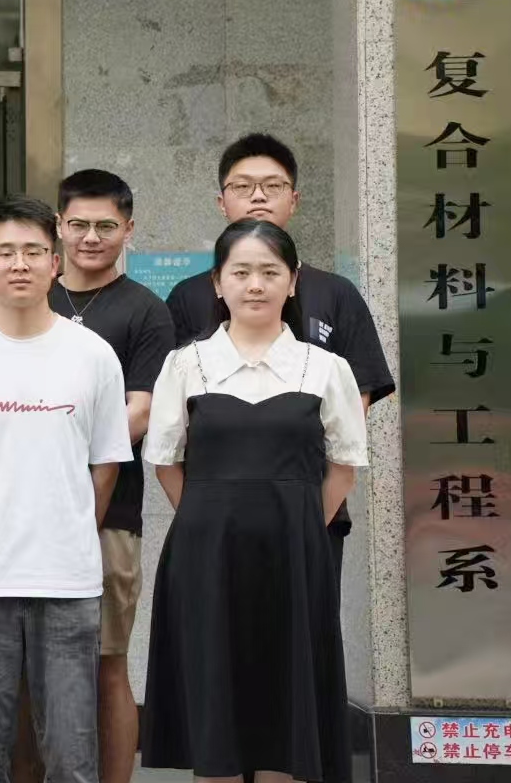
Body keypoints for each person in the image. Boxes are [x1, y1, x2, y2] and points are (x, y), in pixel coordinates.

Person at [141, 219, 366, 783]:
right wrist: (208, 516)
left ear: (293, 282)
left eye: (270, 272)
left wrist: (299, 525)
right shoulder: (185, 364)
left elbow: (343, 466)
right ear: (218, 283)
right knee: (214, 699)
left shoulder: (326, 367)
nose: (255, 285)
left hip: (296, 556)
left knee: (284, 707)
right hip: (205, 556)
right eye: (240, 272)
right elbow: (166, 461)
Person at [0, 197, 132, 783]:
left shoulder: (93, 355)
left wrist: (70, 529)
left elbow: (105, 465)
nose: (20, 264)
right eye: (5, 252)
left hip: (68, 579)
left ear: (55, 262)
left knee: (71, 754)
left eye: (34, 252)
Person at [163, 134, 392, 581]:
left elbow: (355, 399)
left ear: (295, 199)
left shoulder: (337, 292)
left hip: (310, 504)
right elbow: (172, 418)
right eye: (242, 186)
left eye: (273, 185)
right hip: (213, 517)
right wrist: (201, 514)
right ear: (221, 202)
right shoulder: (188, 296)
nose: (258, 196)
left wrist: (308, 516)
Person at [49, 170, 175, 783]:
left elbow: (142, 410)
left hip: (111, 516)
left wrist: (53, 454)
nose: (91, 237)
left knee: (106, 666)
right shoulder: (32, 298)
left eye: (105, 226)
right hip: (22, 516)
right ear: (58, 226)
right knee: (26, 670)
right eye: (78, 224)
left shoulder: (147, 311)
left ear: (129, 229)